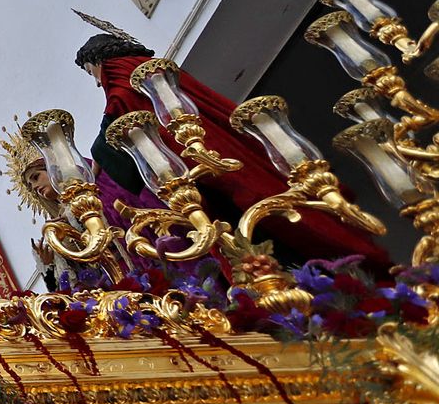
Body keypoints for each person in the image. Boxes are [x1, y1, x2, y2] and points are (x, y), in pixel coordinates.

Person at [74, 24, 390, 269]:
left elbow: (122, 120)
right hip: (218, 152)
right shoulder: (153, 68)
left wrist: (98, 158)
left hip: (206, 168)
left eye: (91, 72)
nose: (96, 81)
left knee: (254, 235)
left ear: (99, 61)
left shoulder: (126, 77)